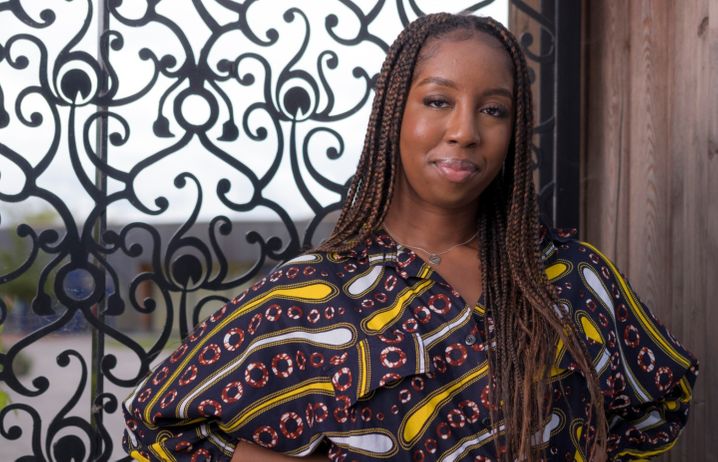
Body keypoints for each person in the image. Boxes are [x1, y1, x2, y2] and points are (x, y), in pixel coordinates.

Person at [122, 12, 698, 462]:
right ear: (395, 111)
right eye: (439, 101)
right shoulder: (315, 295)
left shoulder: (571, 276)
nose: (465, 131)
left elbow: (659, 404)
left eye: (494, 110)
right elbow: (163, 429)